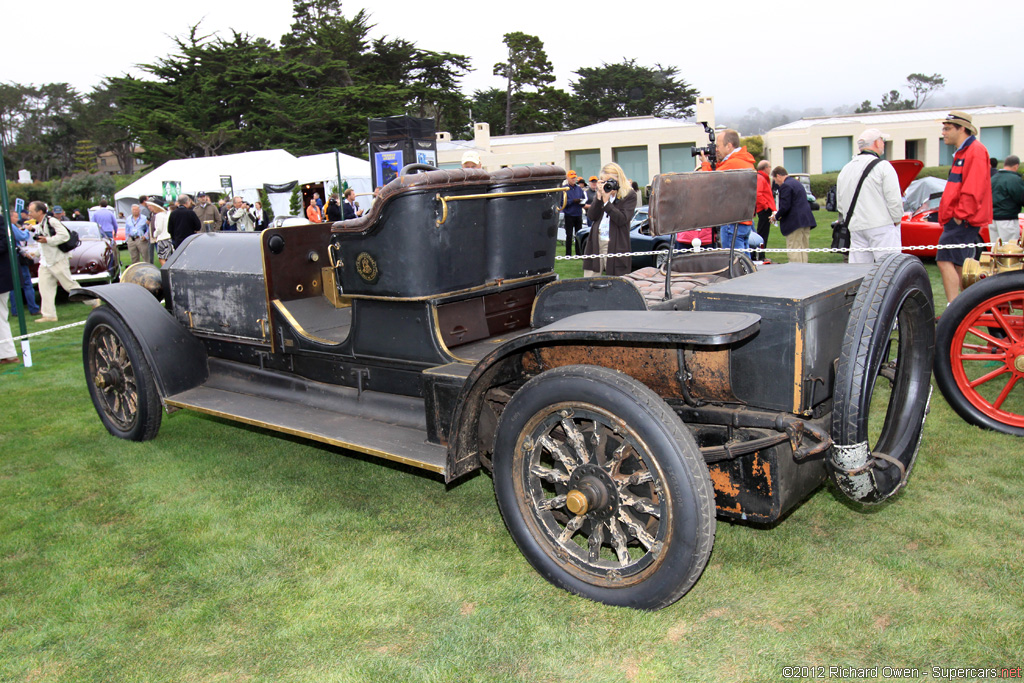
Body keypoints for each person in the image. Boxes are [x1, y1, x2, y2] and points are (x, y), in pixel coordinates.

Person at [937, 111, 992, 305]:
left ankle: (955, 306)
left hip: (963, 219)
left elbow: (974, 187)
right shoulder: (963, 151)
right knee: (960, 265)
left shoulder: (974, 151)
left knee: (944, 260)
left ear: (962, 129)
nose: (943, 132)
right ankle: (971, 306)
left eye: (947, 128)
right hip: (958, 218)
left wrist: (960, 215)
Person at [836, 129, 904, 264]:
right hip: (881, 225)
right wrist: (896, 219)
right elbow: (894, 199)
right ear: (877, 143)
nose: (884, 144)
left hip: (856, 226)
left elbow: (840, 204)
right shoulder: (883, 166)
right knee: (889, 269)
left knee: (859, 272)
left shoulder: (846, 169)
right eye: (882, 141)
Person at [27, 201, 97, 321]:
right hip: (45, 262)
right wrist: (35, 254)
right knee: (44, 287)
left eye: (31, 211)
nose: (29, 214)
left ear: (39, 212)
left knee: (69, 285)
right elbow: (42, 242)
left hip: (58, 259)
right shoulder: (40, 224)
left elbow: (64, 236)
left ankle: (93, 300)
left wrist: (48, 240)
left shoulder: (52, 221)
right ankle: (49, 315)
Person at [699, 129, 756, 250]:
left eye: (718, 146)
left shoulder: (733, 163)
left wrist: (705, 164)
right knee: (744, 259)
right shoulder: (744, 161)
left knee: (733, 260)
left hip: (732, 221)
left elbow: (709, 182)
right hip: (743, 220)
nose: (716, 150)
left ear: (729, 146)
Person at [584, 162, 637, 277]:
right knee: (590, 279)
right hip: (597, 241)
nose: (607, 184)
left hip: (616, 242)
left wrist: (607, 202)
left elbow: (622, 219)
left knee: (615, 280)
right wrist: (598, 198)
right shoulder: (602, 194)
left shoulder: (629, 195)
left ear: (619, 179)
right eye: (604, 181)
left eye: (610, 181)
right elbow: (592, 216)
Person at [771, 167, 817, 263]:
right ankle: (803, 269)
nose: (776, 183)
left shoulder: (785, 186)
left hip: (794, 222)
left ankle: (796, 271)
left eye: (775, 180)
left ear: (778, 176)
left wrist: (775, 217)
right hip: (806, 220)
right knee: (803, 248)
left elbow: (785, 207)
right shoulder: (796, 183)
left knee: (794, 249)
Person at [6, 212, 40, 316]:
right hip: (17, 258)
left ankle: (15, 311)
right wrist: (27, 230)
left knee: (13, 286)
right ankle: (33, 308)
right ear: (10, 216)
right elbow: (22, 237)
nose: (17, 219)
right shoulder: (10, 226)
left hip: (8, 258)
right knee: (27, 284)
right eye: (16, 217)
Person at [990, 155, 1024, 245]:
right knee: (1010, 248)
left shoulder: (993, 178)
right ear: (1016, 166)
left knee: (995, 247)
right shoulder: (1014, 179)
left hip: (992, 218)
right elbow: (1021, 197)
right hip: (1007, 218)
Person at [0, 222, 17, 364]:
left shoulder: (1, 221)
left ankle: (8, 354)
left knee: (1, 315)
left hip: (2, 278)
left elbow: (6, 242)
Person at [753, 160, 776, 261]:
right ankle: (759, 255)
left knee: (763, 233)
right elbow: (758, 194)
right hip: (764, 209)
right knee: (762, 234)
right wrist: (765, 205)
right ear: (765, 168)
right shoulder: (760, 178)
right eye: (769, 167)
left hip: (764, 208)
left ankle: (760, 255)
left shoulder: (762, 177)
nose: (770, 169)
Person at [561, 170, 585, 256]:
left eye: (574, 178)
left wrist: (581, 202)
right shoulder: (564, 189)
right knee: (569, 235)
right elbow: (562, 203)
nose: (573, 179)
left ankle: (579, 253)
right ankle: (568, 254)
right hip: (569, 215)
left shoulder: (579, 189)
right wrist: (572, 201)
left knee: (578, 235)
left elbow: (583, 198)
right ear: (567, 178)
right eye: (572, 178)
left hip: (578, 214)